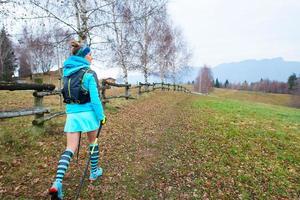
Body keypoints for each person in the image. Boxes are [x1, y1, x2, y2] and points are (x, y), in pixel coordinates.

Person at [49, 40, 106, 200]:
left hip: (72, 116)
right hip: (88, 114)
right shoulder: (89, 73)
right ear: (83, 56)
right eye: (90, 54)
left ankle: (57, 182)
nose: (92, 57)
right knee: (93, 143)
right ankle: (94, 172)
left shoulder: (66, 73)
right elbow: (95, 100)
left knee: (70, 148)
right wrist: (102, 117)